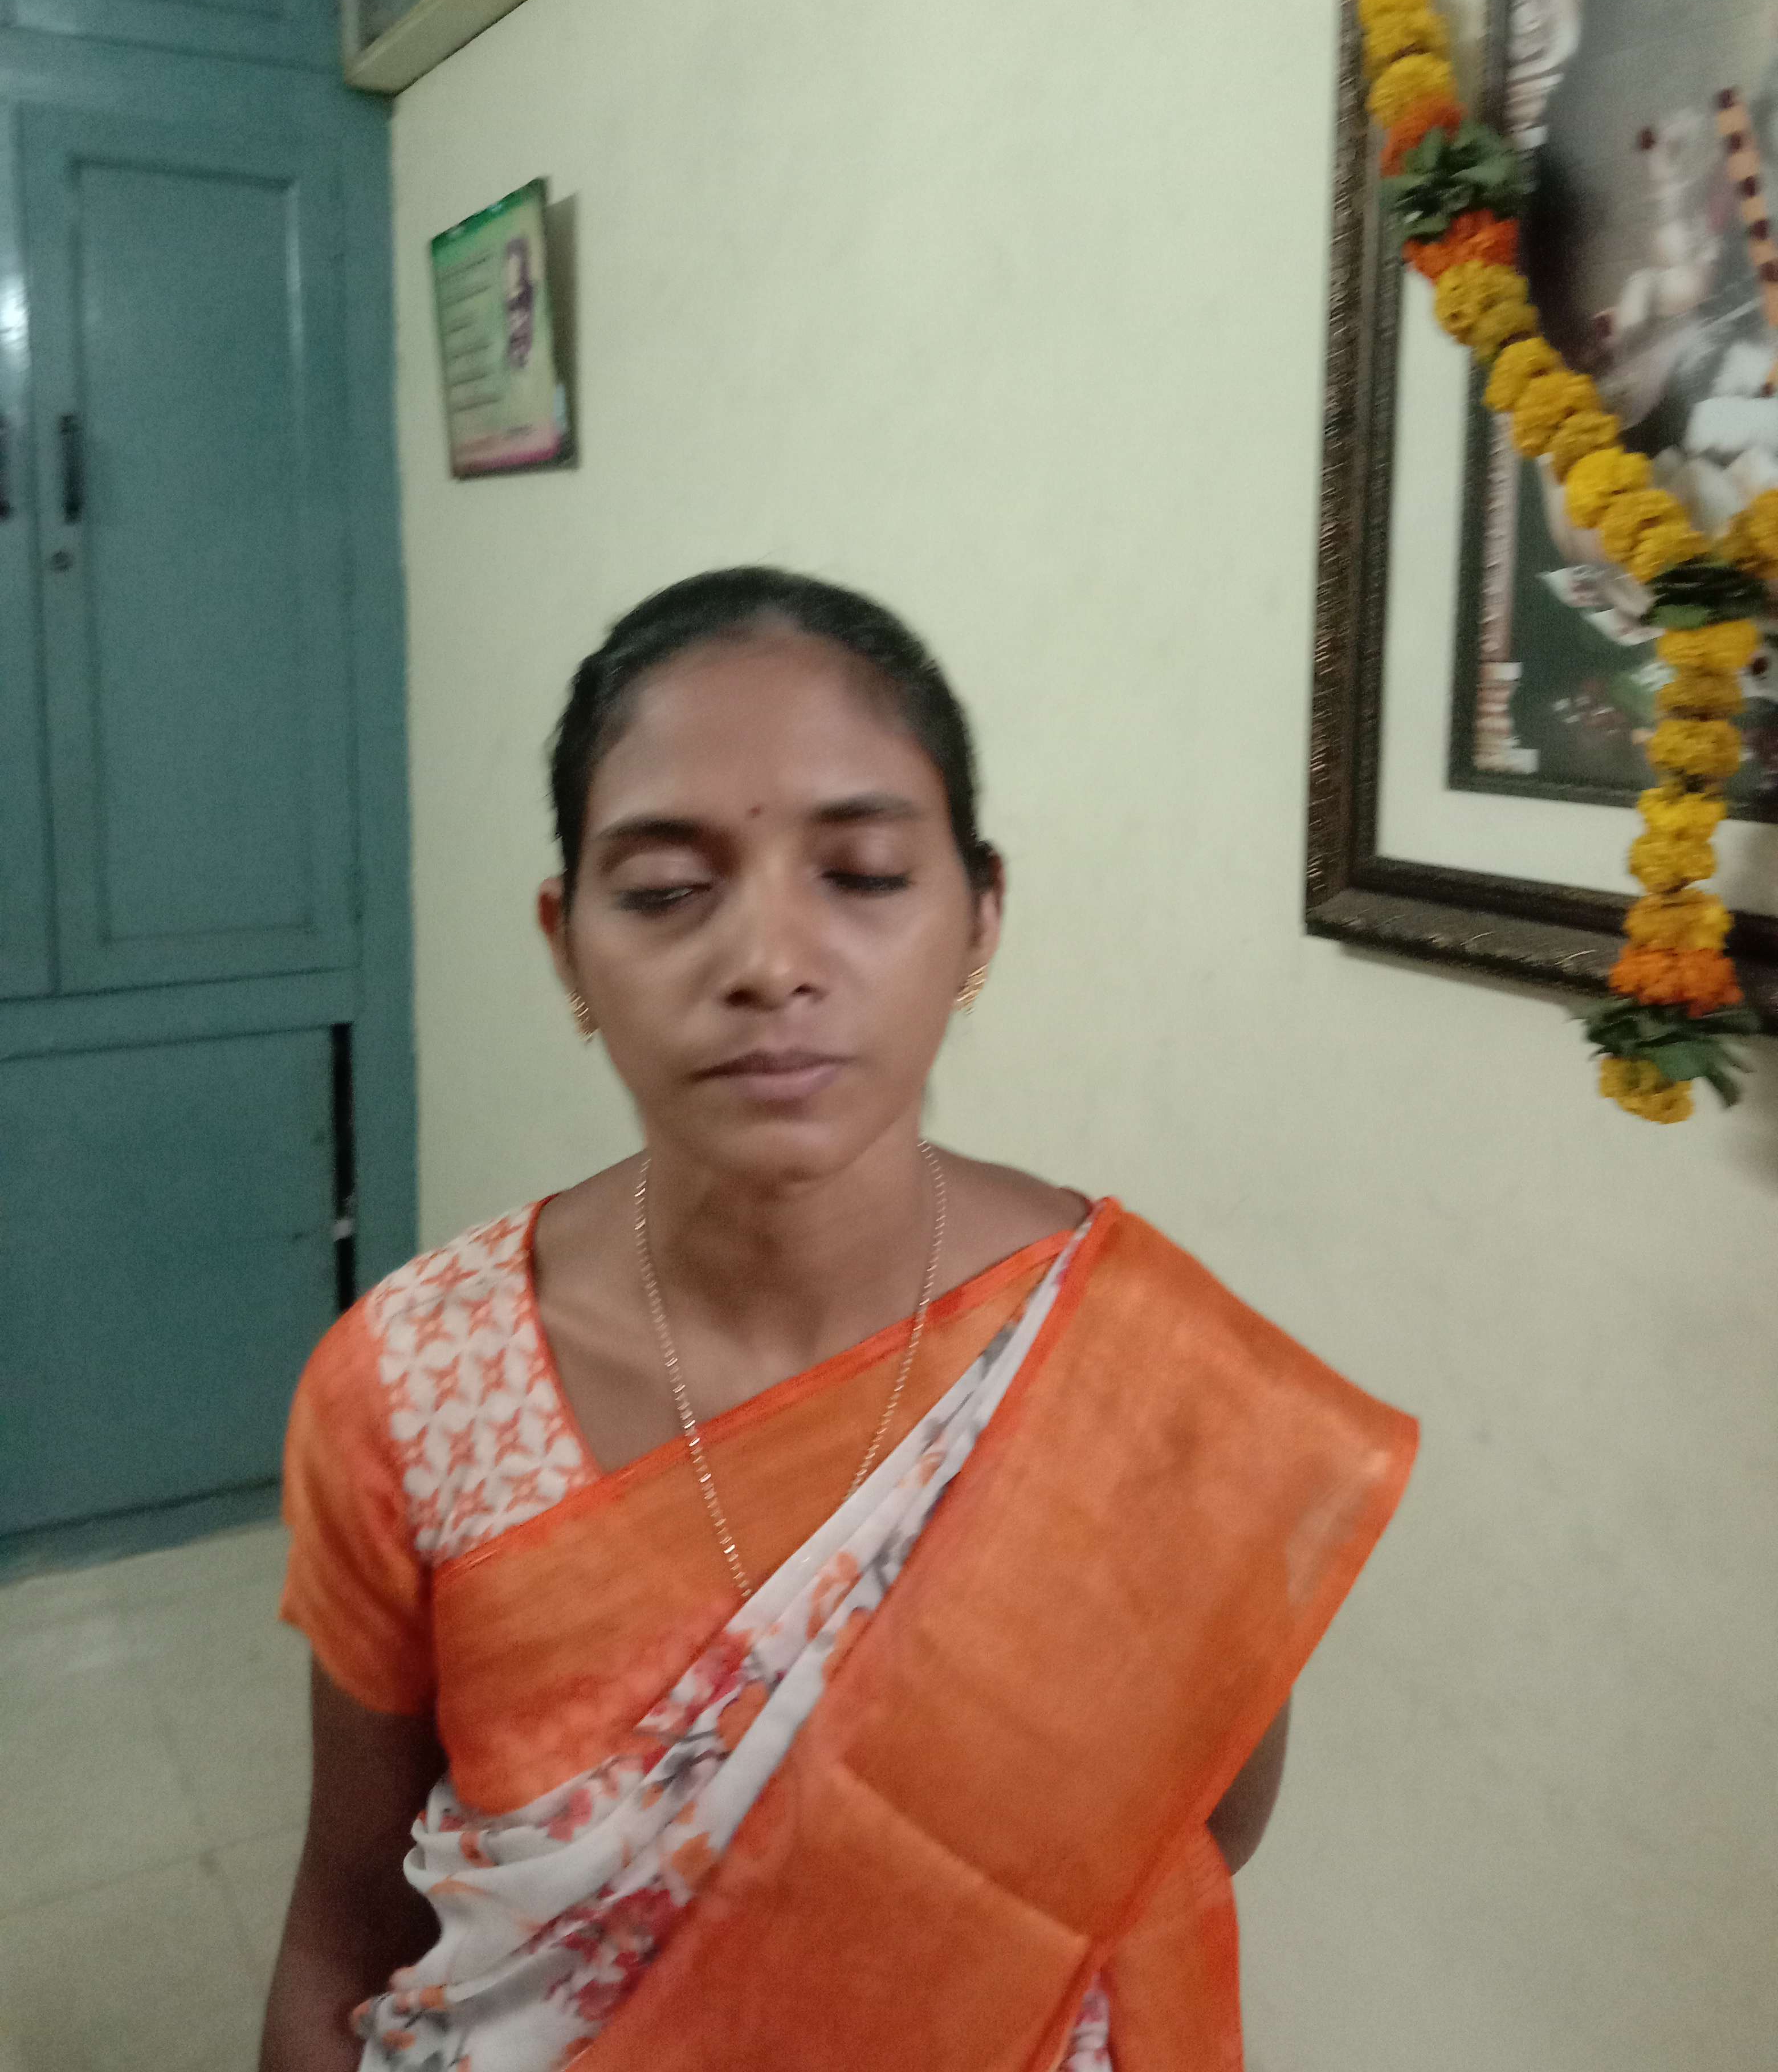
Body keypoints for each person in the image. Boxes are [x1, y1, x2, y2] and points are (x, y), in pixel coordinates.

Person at [261, 567, 1416, 2072]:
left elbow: (1186, 1833)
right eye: (665, 892)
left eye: (863, 875)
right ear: (566, 946)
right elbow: (345, 1927)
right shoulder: (417, 1384)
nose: (769, 964)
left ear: (980, 919)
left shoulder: (1149, 1377)